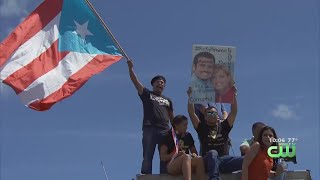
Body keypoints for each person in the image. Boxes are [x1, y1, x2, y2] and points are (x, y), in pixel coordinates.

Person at [127, 59, 174, 174]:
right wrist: (130, 68)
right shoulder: (147, 94)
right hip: (150, 128)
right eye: (158, 81)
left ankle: (165, 175)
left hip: (165, 130)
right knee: (148, 154)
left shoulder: (168, 100)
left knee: (165, 155)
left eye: (163, 82)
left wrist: (175, 131)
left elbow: (172, 117)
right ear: (153, 84)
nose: (160, 83)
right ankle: (146, 175)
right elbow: (135, 82)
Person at [187, 87, 243, 180]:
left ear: (218, 116)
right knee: (213, 153)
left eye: (213, 113)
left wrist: (234, 96)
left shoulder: (224, 126)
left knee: (247, 159)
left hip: (224, 161)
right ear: (205, 117)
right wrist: (190, 97)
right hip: (208, 161)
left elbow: (233, 112)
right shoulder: (201, 127)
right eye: (208, 113)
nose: (211, 115)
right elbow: (191, 113)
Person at [159, 115, 206, 180]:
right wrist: (175, 154)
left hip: (186, 163)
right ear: (176, 125)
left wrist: (194, 155)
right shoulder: (167, 136)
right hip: (171, 165)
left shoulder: (188, 135)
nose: (186, 127)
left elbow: (194, 151)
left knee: (199, 159)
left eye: (187, 125)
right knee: (185, 157)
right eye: (184, 125)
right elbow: (163, 157)